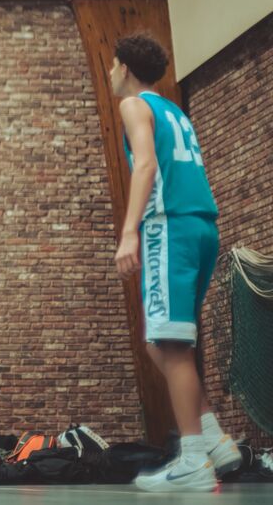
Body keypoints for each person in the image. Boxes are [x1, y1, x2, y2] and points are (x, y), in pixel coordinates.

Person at [108, 33, 242, 492]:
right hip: (202, 228)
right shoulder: (174, 111)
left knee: (171, 345)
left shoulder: (133, 105)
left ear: (125, 67)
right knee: (161, 343)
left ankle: (193, 460)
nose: (111, 73)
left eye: (112, 65)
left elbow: (146, 165)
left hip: (169, 227)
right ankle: (212, 437)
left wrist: (130, 231)